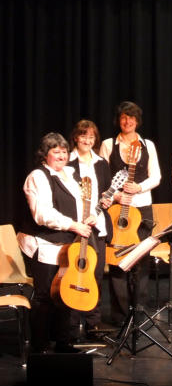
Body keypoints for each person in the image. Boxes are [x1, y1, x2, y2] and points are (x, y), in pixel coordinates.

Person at [18, 132, 96, 353]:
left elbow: (82, 204)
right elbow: (42, 214)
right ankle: (40, 346)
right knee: (45, 295)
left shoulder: (70, 174)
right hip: (44, 243)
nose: (62, 156)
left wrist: (90, 216)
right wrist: (73, 225)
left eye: (64, 151)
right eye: (56, 152)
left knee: (65, 292)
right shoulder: (38, 176)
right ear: (45, 155)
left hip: (67, 243)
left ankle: (63, 342)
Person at [99, 101, 161, 324]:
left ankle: (139, 311)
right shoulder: (108, 144)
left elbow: (156, 176)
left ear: (137, 120)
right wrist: (116, 195)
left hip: (142, 207)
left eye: (132, 117)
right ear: (119, 120)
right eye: (124, 117)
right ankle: (120, 314)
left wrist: (139, 187)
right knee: (117, 259)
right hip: (117, 209)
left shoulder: (148, 145)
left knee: (141, 259)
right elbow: (102, 177)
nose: (127, 121)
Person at [67, 120, 115, 339]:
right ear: (76, 137)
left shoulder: (101, 163)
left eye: (91, 137)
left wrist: (106, 201)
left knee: (95, 275)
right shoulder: (67, 161)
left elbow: (106, 192)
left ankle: (93, 322)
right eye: (83, 136)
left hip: (96, 225)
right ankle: (69, 324)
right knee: (72, 274)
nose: (87, 140)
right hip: (74, 226)